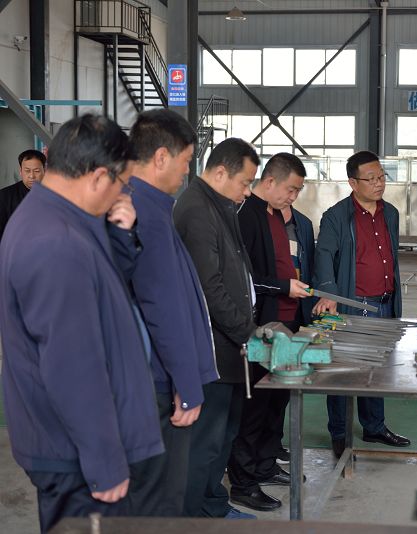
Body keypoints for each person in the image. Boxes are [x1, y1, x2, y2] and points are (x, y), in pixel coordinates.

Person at [0, 114, 163, 533]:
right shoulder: (55, 242)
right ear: (97, 177)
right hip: (75, 458)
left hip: (71, 448)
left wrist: (121, 234)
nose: (124, 193)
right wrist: (105, 463)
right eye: (122, 182)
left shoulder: (61, 218)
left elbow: (103, 285)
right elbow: (73, 368)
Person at [122, 109, 219, 516]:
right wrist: (187, 382)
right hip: (158, 385)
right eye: (186, 161)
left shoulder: (147, 206)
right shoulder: (142, 212)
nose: (186, 172)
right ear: (161, 157)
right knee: (160, 500)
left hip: (149, 379)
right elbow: (161, 306)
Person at [174, 138, 259, 520]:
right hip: (211, 350)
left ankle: (212, 505)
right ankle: (195, 516)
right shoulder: (196, 209)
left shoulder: (219, 205)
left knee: (223, 435)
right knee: (205, 441)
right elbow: (209, 289)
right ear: (221, 172)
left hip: (229, 348)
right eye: (245, 182)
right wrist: (247, 332)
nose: (248, 191)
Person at [312, 150, 411, 458]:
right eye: (371, 179)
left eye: (382, 176)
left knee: (376, 369)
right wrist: (328, 292)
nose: (379, 183)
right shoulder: (336, 217)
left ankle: (374, 426)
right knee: (342, 372)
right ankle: (339, 433)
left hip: (384, 304)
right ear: (353, 183)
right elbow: (324, 255)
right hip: (354, 306)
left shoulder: (390, 213)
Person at [228, 152, 310, 511]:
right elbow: (245, 279)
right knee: (254, 407)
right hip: (262, 324)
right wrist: (283, 286)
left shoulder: (274, 214)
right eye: (291, 189)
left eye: (298, 191)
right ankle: (243, 482)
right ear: (270, 180)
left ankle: (264, 464)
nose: (293, 197)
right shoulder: (247, 215)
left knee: (276, 401)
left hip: (286, 320)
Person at [282, 204, 317, 327]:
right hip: (268, 307)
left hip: (297, 310)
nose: (292, 196)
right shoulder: (257, 218)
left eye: (296, 193)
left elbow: (310, 270)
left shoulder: (304, 224)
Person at [0, 149, 46, 238]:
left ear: (44, 170)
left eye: (36, 171)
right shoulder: (4, 196)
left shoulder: (55, 195)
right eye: (27, 171)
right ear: (21, 171)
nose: (32, 176)